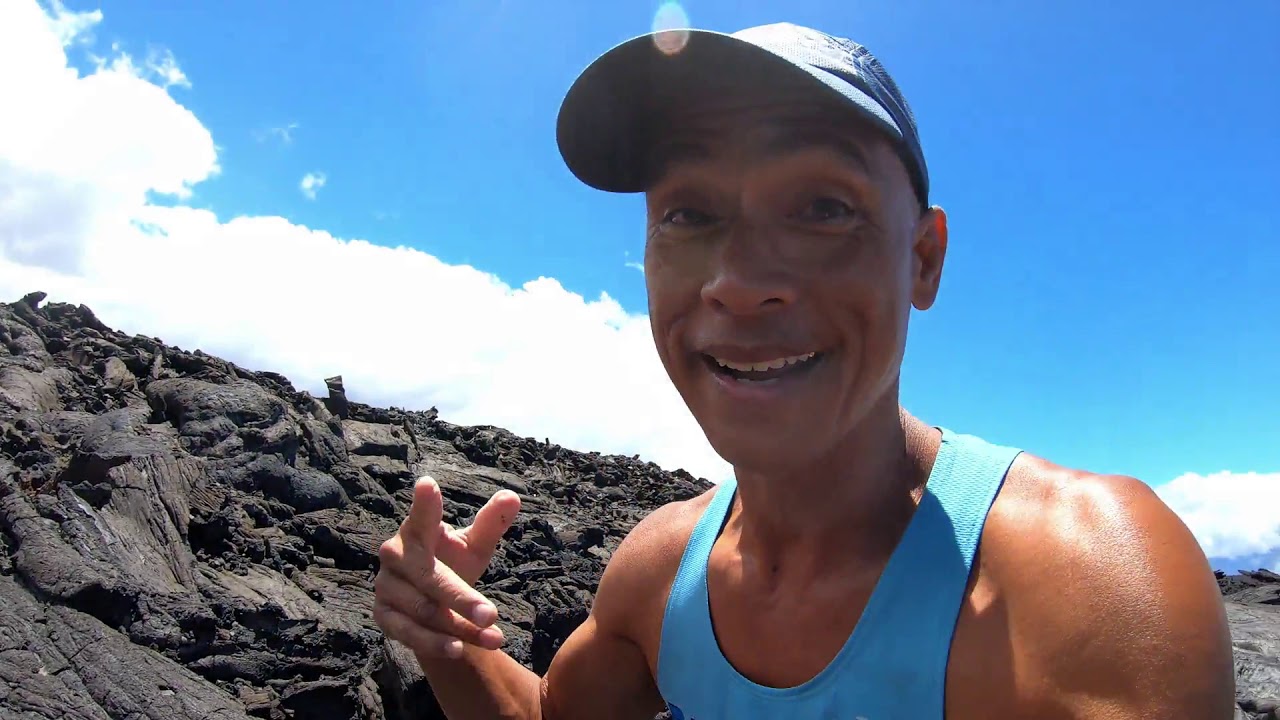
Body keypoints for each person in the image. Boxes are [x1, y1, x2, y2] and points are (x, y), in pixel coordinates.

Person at [373, 22, 1235, 719]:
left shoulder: (1087, 587)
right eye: (689, 213)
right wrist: (448, 634)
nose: (739, 283)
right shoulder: (658, 573)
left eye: (824, 208)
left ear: (924, 259)